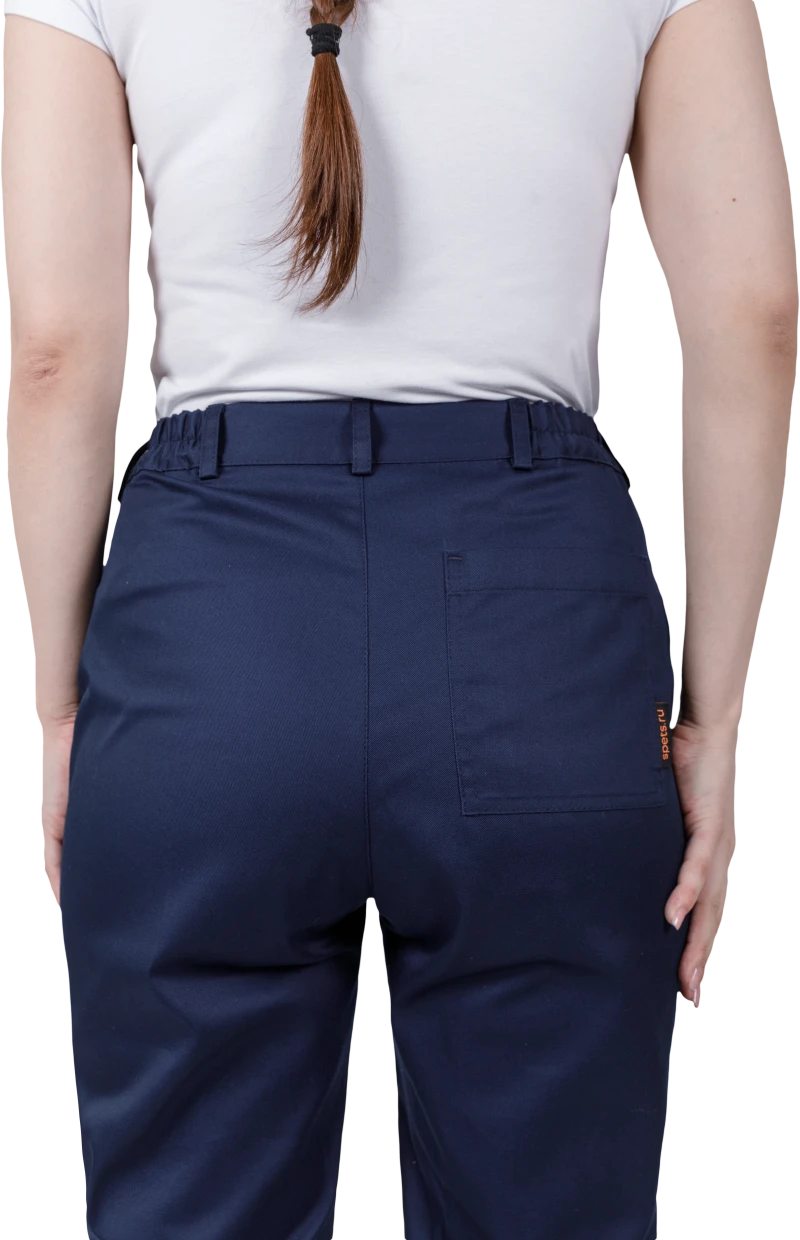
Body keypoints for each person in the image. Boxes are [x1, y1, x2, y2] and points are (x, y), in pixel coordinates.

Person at [2, 1, 797, 1237]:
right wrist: (712, 718)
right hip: (538, 628)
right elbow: (752, 314)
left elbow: (56, 350)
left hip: (209, 640)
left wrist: (63, 705)